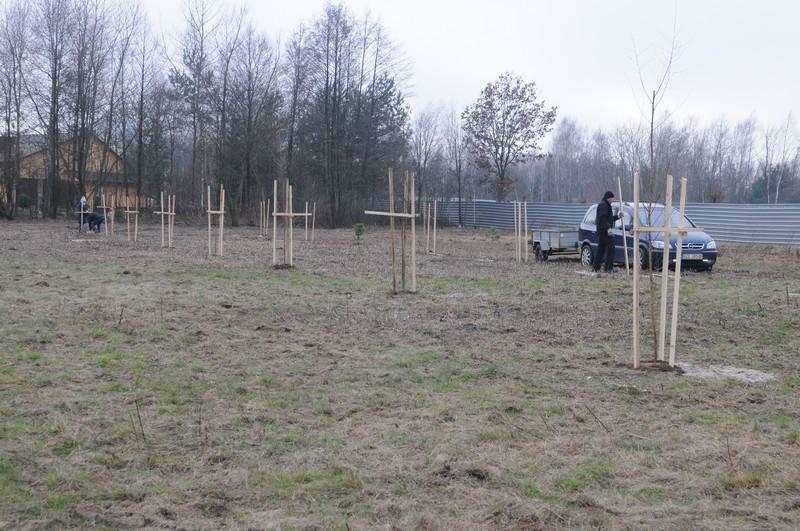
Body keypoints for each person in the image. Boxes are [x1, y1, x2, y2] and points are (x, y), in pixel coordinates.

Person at [593, 190, 622, 273]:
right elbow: (602, 218)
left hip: (602, 231)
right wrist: (608, 228)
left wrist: (618, 216)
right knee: (611, 247)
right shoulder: (603, 205)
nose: (613, 200)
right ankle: (608, 268)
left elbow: (609, 218)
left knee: (601, 250)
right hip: (604, 231)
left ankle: (596, 267)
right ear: (608, 198)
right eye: (612, 198)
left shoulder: (606, 205)